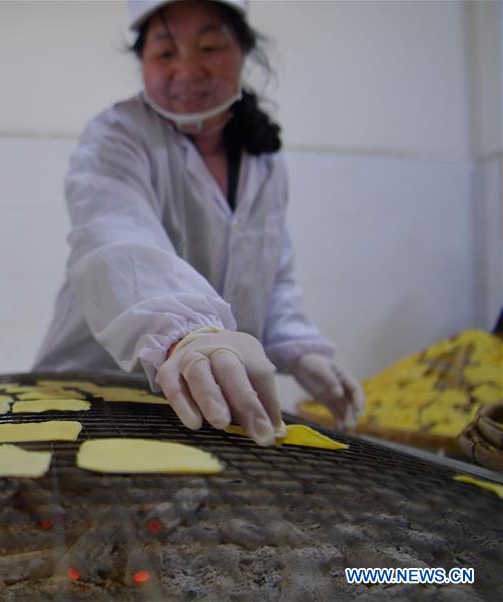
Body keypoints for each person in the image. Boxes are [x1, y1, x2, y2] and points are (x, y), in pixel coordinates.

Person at [33, 0, 364, 446]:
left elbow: (272, 274)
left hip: (206, 404)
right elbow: (116, 240)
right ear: (142, 63)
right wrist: (186, 330)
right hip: (95, 396)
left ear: (244, 51)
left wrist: (299, 348)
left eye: (209, 47)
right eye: (165, 53)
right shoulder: (117, 136)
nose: (187, 70)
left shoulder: (261, 158)